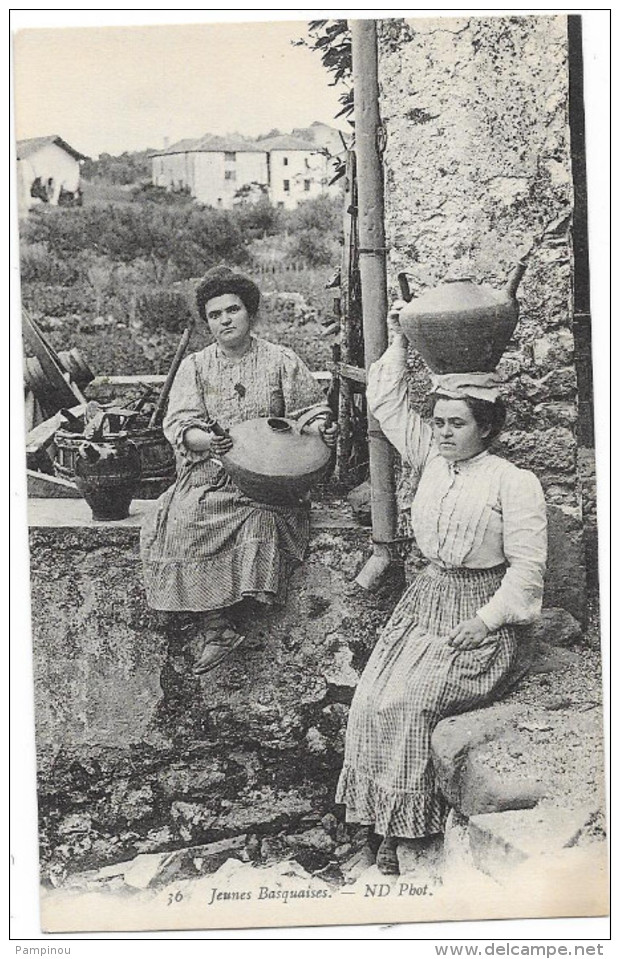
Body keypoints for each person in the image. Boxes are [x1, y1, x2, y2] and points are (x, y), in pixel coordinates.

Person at [336, 300, 547, 875]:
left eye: (457, 424)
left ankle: (407, 832)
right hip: (426, 602)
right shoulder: (430, 458)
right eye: (439, 422)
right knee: (371, 698)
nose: (444, 432)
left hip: (480, 619)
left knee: (409, 703)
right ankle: (373, 821)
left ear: (487, 427)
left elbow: (528, 572)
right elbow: (385, 398)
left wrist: (487, 621)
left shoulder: (514, 483)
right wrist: (403, 337)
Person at [141, 266, 337, 673]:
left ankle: (237, 615)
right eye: (215, 315)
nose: (225, 320)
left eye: (234, 310)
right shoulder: (196, 367)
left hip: (270, 478)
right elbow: (180, 424)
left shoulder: (281, 361)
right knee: (184, 517)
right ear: (207, 322)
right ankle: (217, 627)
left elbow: (309, 414)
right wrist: (207, 441)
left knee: (261, 519)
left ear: (250, 314)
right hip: (212, 472)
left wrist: (322, 427)